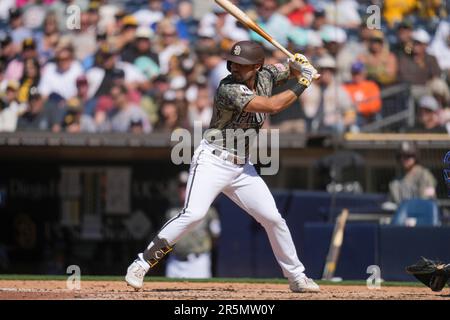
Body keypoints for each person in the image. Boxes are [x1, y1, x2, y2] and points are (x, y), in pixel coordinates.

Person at [125, 40, 321, 293]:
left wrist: (298, 64)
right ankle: (142, 263)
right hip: (213, 160)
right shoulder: (228, 88)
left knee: (273, 219)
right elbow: (273, 106)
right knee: (194, 215)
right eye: (232, 63)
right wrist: (303, 81)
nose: (235, 68)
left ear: (257, 66)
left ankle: (297, 276)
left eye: (242, 65)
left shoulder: (267, 74)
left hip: (242, 167)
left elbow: (287, 69)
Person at [165, 171, 221, 279]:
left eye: (186, 186)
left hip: (198, 262)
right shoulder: (171, 211)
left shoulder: (208, 211)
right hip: (175, 262)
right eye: (180, 186)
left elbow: (215, 236)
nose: (183, 190)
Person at [388, 141, 437, 207]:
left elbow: (427, 201)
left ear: (415, 157)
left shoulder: (424, 175)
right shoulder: (395, 182)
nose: (405, 159)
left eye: (408, 156)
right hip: (403, 215)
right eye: (402, 156)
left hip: (421, 214)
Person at [343, 61, 382, 126]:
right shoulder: (346, 87)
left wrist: (361, 108)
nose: (356, 76)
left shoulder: (371, 86)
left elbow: (376, 105)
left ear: (364, 73)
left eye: (359, 73)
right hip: (352, 116)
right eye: (354, 73)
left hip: (368, 116)